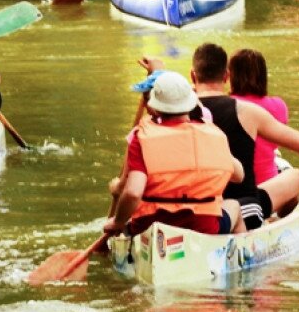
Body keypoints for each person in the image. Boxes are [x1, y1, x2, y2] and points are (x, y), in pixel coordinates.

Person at [140, 44, 299, 231]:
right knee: (297, 176)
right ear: (226, 76)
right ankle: (273, 225)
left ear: (193, 75)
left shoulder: (174, 114)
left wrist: (155, 74)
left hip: (193, 209)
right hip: (242, 207)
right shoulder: (248, 112)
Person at [103, 72, 246, 237]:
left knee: (127, 223)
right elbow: (239, 176)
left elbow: (133, 193)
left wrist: (118, 222)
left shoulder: (141, 137)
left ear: (155, 108)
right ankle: (242, 251)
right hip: (202, 227)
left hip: (149, 228)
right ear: (191, 103)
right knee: (234, 206)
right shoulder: (213, 134)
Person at [228, 49, 290, 185]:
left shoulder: (224, 105)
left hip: (232, 183)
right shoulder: (279, 105)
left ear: (230, 75)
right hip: (268, 181)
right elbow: (276, 143)